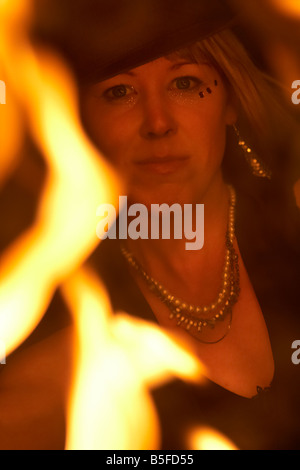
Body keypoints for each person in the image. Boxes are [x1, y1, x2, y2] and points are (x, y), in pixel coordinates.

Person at [1, 0, 300, 450]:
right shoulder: (54, 298)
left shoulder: (290, 233)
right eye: (119, 92)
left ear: (230, 102)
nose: (157, 123)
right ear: (81, 123)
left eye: (185, 83)